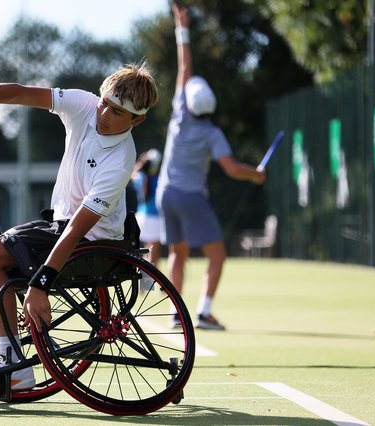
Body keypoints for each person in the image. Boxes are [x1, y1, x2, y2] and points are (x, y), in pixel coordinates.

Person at [0, 63, 158, 390]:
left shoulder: (120, 161)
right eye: (105, 103)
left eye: (118, 112)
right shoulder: (84, 104)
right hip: (60, 222)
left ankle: (14, 367)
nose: (105, 115)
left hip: (95, 239)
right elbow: (21, 93)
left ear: (137, 120)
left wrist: (40, 284)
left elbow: (78, 230)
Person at [156, 3, 265, 331]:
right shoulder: (212, 133)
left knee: (178, 254)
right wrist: (256, 174)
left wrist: (183, 30)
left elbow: (184, 68)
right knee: (217, 256)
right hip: (190, 196)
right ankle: (203, 312)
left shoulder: (179, 115)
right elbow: (231, 169)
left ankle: (177, 313)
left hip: (165, 195)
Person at [131, 148, 163, 291]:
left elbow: (133, 171)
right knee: (154, 256)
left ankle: (144, 286)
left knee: (144, 254)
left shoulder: (139, 177)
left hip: (141, 217)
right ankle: (149, 286)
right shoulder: (158, 180)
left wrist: (142, 160)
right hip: (155, 219)